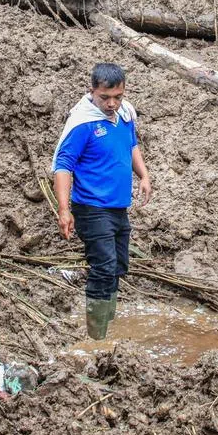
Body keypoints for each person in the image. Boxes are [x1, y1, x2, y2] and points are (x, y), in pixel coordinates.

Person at [52, 62, 153, 339]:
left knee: (119, 266)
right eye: (104, 98)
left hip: (118, 207)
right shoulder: (83, 123)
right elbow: (63, 165)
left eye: (117, 97)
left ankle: (105, 327)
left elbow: (131, 145)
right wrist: (63, 209)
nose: (111, 104)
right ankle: (96, 338)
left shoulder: (125, 115)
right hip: (91, 208)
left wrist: (143, 175)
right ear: (92, 92)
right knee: (104, 267)